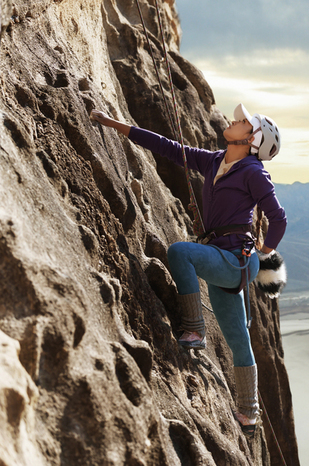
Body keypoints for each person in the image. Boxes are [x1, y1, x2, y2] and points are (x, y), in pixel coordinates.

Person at [90, 104, 287, 437]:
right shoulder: (214, 160)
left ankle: (194, 330)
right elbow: (169, 148)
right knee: (239, 340)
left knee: (180, 252)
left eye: (243, 122)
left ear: (253, 140)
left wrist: (261, 252)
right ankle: (249, 415)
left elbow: (278, 218)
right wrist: (112, 123)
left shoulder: (253, 171)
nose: (235, 120)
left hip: (236, 261)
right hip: (225, 259)